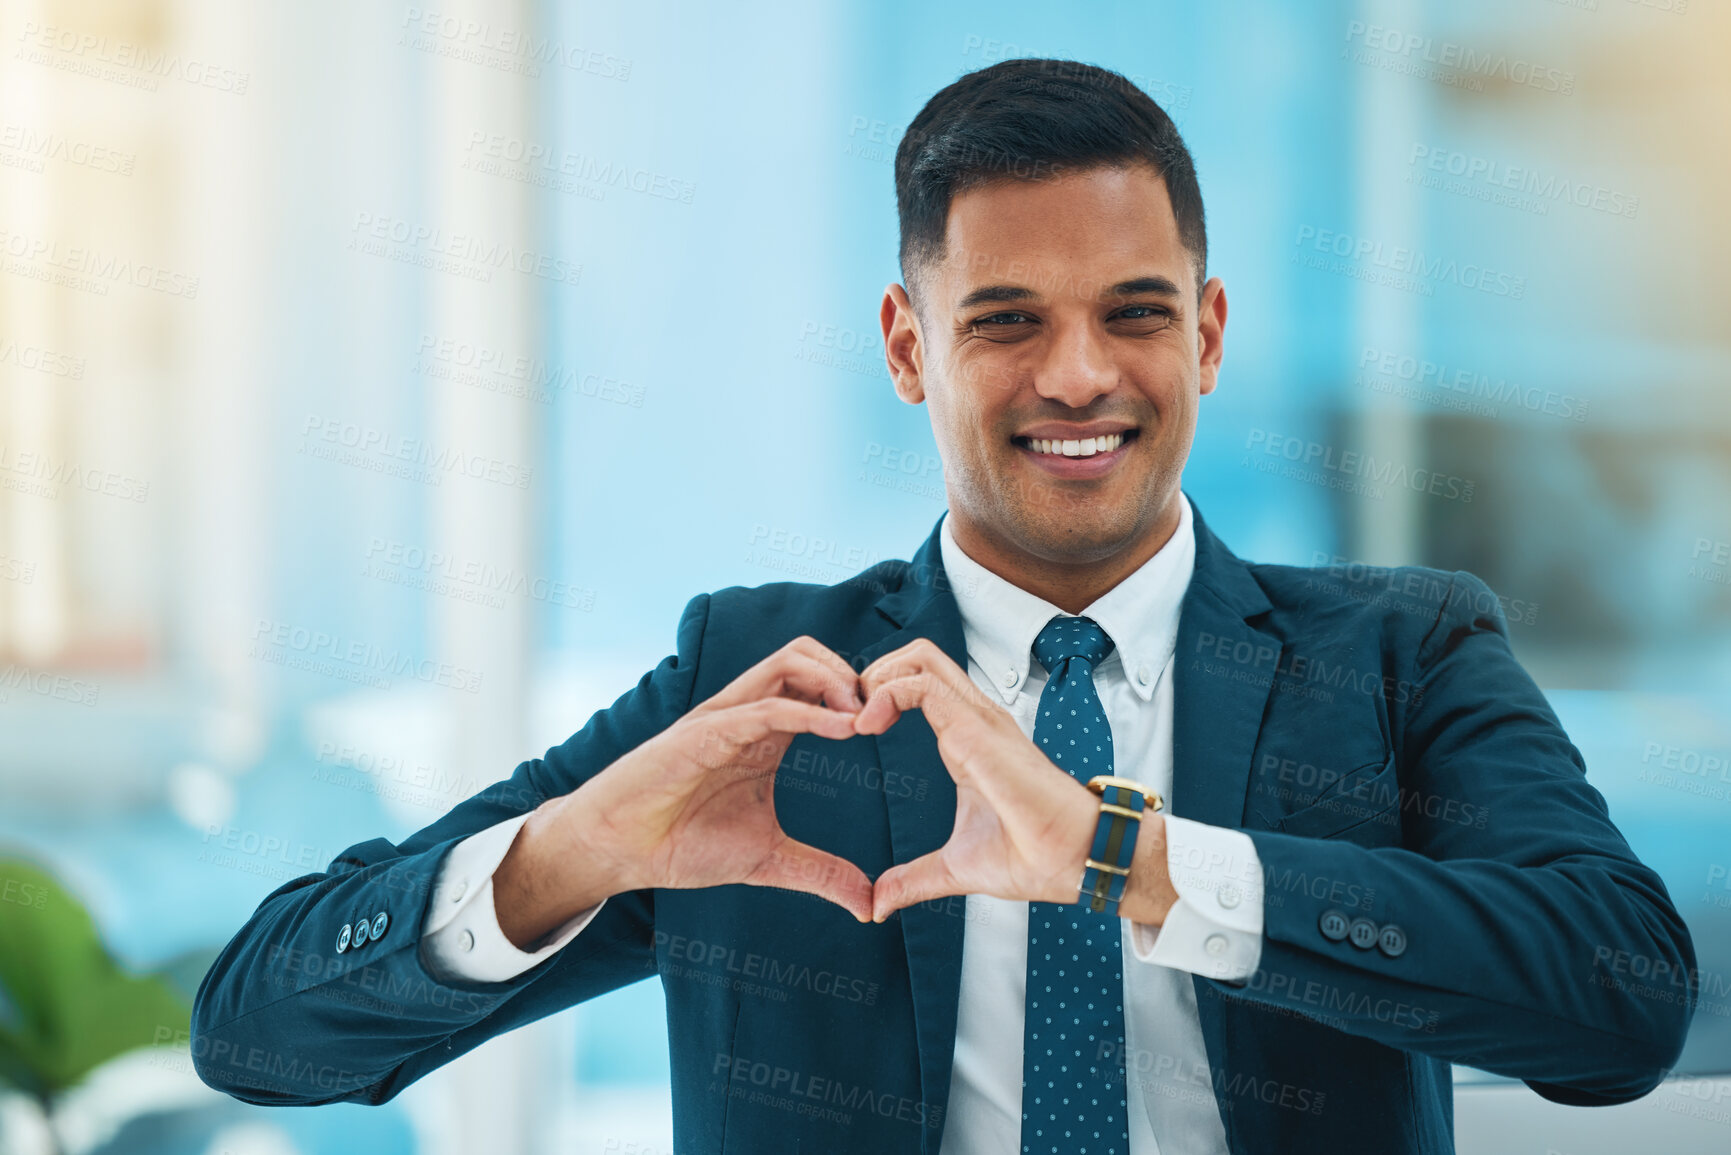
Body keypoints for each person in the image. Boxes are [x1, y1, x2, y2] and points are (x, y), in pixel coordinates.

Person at [192, 58, 1695, 1154]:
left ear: (1211, 332)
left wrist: (1130, 860)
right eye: (1006, 322)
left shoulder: (1398, 651)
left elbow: (1619, 1005)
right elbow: (259, 1028)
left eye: (1135, 313)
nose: (1080, 377)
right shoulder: (759, 679)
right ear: (910, 349)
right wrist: (580, 848)